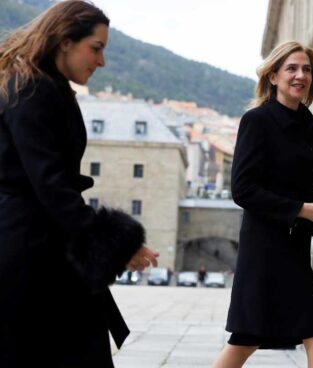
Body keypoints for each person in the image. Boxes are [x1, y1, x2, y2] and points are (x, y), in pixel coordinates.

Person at [0, 1, 159, 367]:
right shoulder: (31, 91)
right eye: (96, 48)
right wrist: (117, 244)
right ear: (65, 41)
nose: (101, 61)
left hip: (46, 248)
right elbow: (51, 185)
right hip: (31, 254)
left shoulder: (45, 89)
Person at [212, 41, 313, 368]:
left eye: (307, 69)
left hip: (295, 246)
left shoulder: (311, 126)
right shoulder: (257, 121)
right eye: (292, 69)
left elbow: (305, 187)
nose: (301, 76)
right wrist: (304, 209)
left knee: (295, 336)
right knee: (250, 339)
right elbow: (242, 190)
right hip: (265, 247)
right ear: (272, 76)